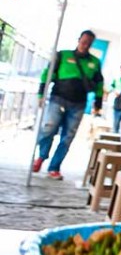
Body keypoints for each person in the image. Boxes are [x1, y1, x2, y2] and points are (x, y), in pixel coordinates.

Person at [33, 30, 104, 180]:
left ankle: (54, 167)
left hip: (78, 104)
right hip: (58, 98)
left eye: (88, 43)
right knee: (48, 129)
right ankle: (41, 156)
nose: (85, 45)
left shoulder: (95, 62)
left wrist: (98, 104)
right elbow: (48, 73)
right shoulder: (63, 55)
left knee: (67, 137)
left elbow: (99, 84)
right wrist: (41, 93)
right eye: (83, 42)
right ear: (79, 40)